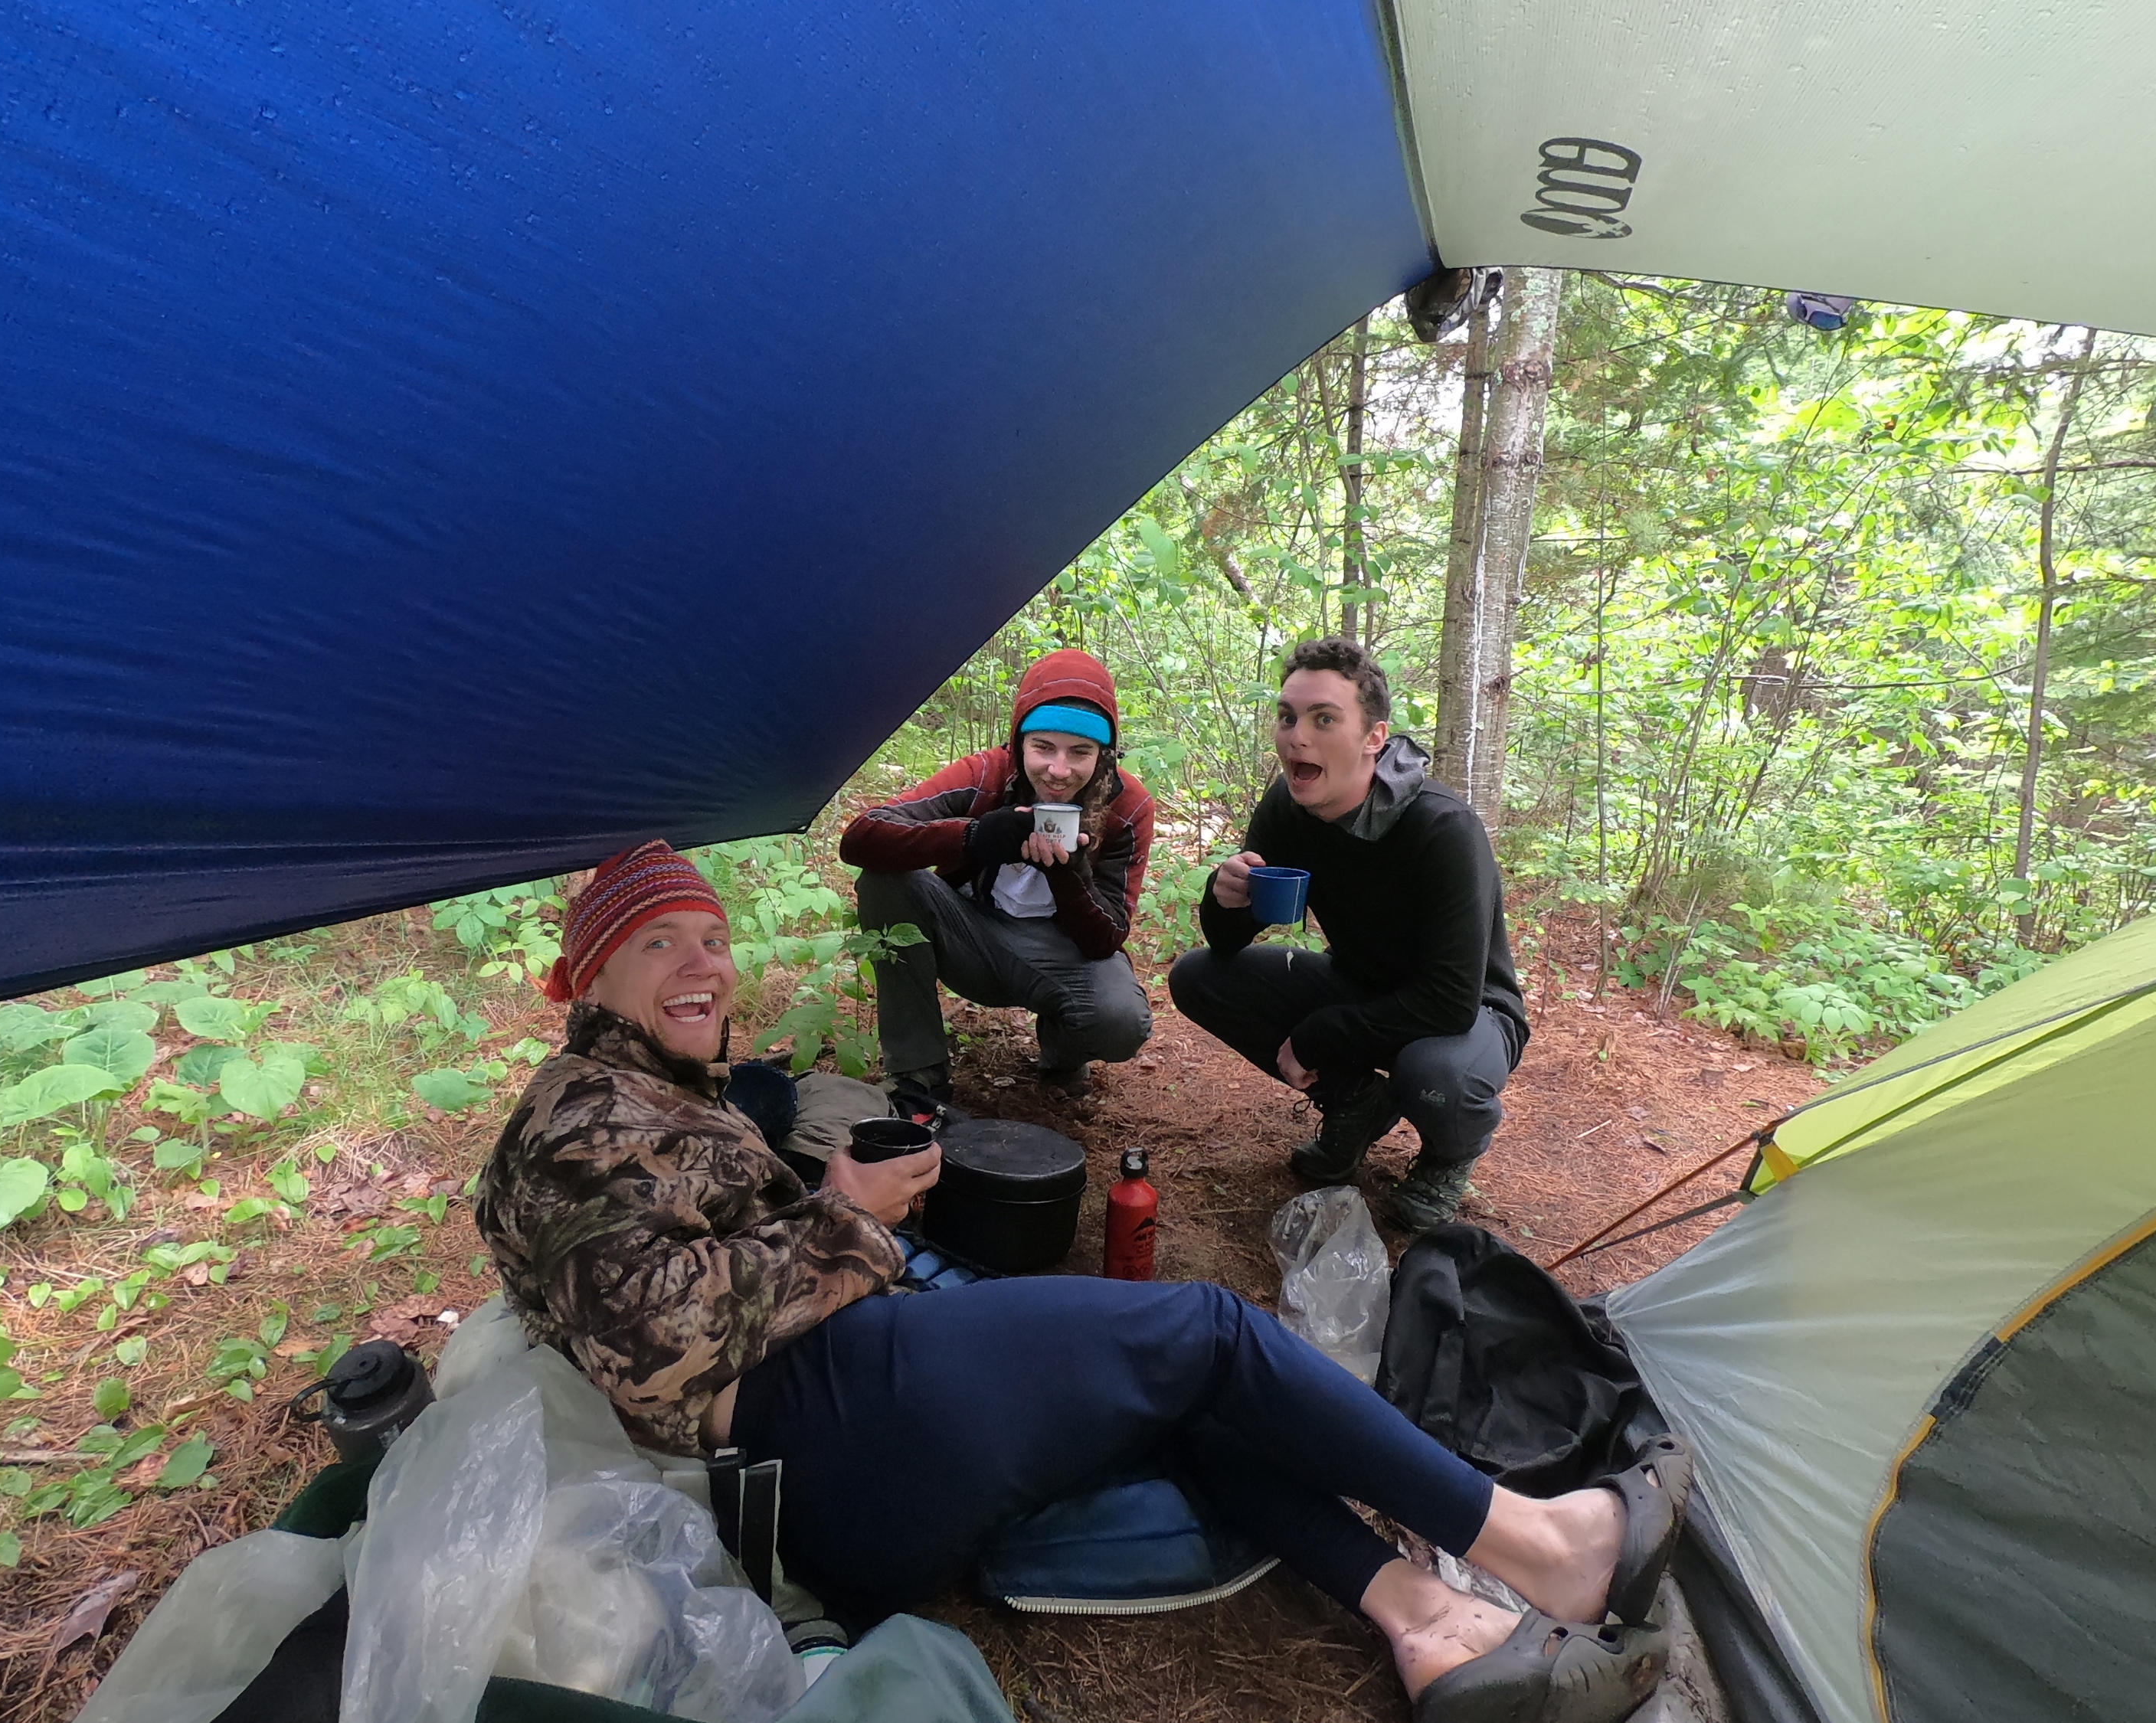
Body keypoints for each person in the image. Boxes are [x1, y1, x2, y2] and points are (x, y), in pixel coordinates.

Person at [475, 841, 1690, 1723]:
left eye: (711, 937)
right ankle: (1540, 1542)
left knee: (1174, 1400)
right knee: (1206, 1332)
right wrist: (842, 1219)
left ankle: (1427, 1623)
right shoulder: (583, 1111)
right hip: (817, 1422)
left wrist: (826, 1202)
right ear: (590, 976)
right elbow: (645, 1339)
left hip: (836, 1473)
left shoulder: (639, 1093)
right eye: (658, 942)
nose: (702, 963)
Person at [1167, 638, 1529, 1232]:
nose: (1297, 737)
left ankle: (1448, 1155)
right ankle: (1356, 1104)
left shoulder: (1442, 829)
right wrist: (1225, 897)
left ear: (1373, 738)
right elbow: (1229, 942)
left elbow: (1449, 1000)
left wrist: (1320, 1035)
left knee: (1435, 1074)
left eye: (1324, 719)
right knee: (1199, 977)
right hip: (1360, 983)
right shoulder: (1288, 808)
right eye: (1287, 717)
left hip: (1469, 1015)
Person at [838, 648, 1153, 1101]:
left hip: (1061, 952)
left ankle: (1063, 1053)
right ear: (1020, 741)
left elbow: (1107, 937)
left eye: (1080, 752)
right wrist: (975, 836)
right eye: (1043, 747)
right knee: (885, 881)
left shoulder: (1127, 806)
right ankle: (918, 1071)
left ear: (1103, 754)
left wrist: (1069, 871)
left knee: (1120, 1021)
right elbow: (862, 837)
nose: (1059, 770)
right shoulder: (985, 774)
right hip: (971, 934)